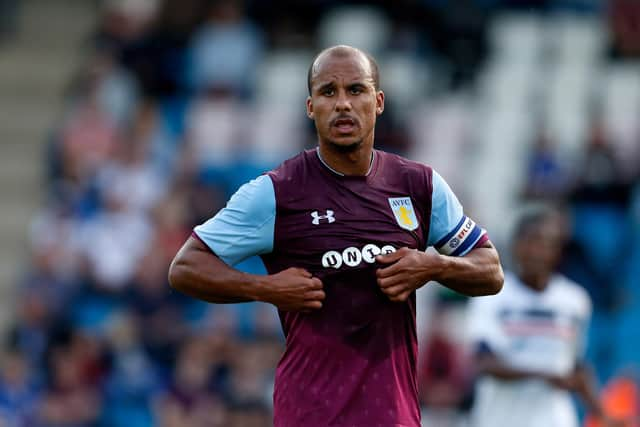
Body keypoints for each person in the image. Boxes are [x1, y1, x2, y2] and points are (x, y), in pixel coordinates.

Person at [168, 45, 504, 427]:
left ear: (377, 102)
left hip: (392, 416)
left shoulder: (420, 186)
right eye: (329, 92)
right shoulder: (276, 192)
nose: (343, 103)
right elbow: (185, 267)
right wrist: (266, 289)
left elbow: (490, 269)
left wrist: (432, 265)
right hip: (309, 414)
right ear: (311, 107)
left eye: (356, 90)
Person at [467, 206, 624, 427]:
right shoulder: (490, 296)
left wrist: (604, 416)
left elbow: (577, 367)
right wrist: (544, 375)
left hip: (553, 419)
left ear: (557, 251)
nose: (537, 251)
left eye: (546, 244)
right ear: (515, 245)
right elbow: (484, 363)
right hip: (500, 419)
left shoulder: (574, 301)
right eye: (531, 241)